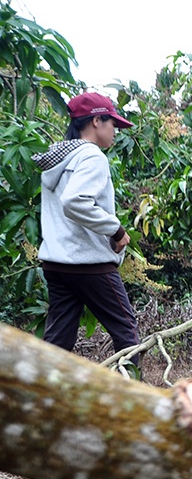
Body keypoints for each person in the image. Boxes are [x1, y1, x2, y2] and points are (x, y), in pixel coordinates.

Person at [32, 91, 141, 370]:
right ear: (96, 121)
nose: (115, 131)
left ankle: (40, 401)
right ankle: (128, 403)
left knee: (58, 340)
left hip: (56, 263)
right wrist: (116, 230)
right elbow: (75, 202)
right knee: (126, 331)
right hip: (88, 263)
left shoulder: (57, 159)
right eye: (112, 124)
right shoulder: (92, 156)